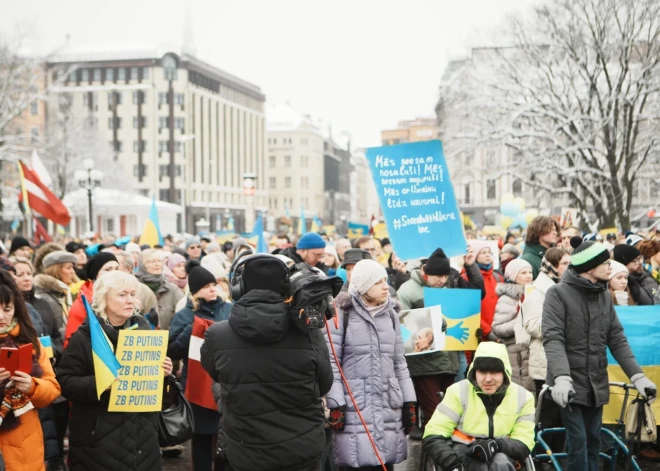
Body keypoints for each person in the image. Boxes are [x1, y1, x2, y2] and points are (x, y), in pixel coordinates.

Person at [200, 255, 333, 471]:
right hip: (302, 450)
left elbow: (216, 375)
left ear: (238, 289)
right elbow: (325, 384)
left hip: (246, 452)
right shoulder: (309, 332)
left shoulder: (216, 335)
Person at [543, 238, 657, 471]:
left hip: (596, 382)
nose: (610, 266)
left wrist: (638, 376)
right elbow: (553, 339)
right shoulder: (557, 294)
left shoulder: (604, 296)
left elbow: (617, 339)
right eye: (605, 262)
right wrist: (562, 377)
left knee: (594, 443)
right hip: (569, 384)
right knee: (579, 443)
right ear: (589, 267)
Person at [57, 271, 173, 471]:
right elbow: (65, 383)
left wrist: (165, 377)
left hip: (143, 441)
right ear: (103, 299)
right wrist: (103, 383)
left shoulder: (145, 333)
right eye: (122, 295)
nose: (130, 300)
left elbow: (161, 399)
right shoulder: (85, 337)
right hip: (99, 442)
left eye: (132, 294)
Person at [325, 259, 416, 470]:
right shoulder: (341, 315)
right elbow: (331, 363)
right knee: (357, 461)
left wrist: (408, 402)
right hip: (355, 405)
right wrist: (335, 403)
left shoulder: (391, 315)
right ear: (364, 286)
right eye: (378, 282)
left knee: (385, 462)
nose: (386, 286)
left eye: (385, 280)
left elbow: (399, 362)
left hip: (387, 404)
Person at [397, 247, 484, 433]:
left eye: (445, 276)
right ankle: (433, 456)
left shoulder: (447, 289)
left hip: (448, 360)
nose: (441, 281)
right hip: (424, 364)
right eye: (438, 277)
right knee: (434, 414)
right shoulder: (407, 290)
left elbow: (477, 294)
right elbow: (403, 326)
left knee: (453, 412)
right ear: (425, 272)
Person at [422, 342, 535, 471]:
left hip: (502, 450)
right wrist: (452, 464)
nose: (487, 379)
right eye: (482, 372)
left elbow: (524, 442)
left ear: (505, 372)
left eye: (494, 372)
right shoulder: (457, 391)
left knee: (500, 462)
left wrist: (496, 445)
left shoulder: (524, 397)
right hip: (462, 449)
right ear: (474, 372)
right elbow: (432, 435)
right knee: (478, 466)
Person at [168, 261, 231, 471]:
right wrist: (192, 329)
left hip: (226, 383)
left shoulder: (230, 309)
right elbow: (172, 351)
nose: (212, 288)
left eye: (214, 284)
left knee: (227, 440)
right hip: (197, 386)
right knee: (202, 439)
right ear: (195, 292)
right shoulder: (184, 315)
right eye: (206, 286)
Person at [0, 271, 61, 471]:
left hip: (25, 446)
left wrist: (32, 386)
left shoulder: (29, 341)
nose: (2, 316)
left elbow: (52, 388)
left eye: (7, 308)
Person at [522, 247, 570, 456]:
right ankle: (542, 457)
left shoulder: (567, 288)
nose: (570, 268)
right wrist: (562, 323)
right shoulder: (538, 291)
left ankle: (555, 457)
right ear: (553, 266)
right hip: (545, 360)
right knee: (548, 415)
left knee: (563, 416)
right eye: (565, 264)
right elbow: (531, 324)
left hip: (564, 361)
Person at [491, 259, 534, 392]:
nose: (528, 276)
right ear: (513, 276)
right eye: (523, 273)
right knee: (521, 392)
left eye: (530, 272)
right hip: (516, 353)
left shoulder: (534, 294)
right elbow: (498, 328)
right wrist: (521, 322)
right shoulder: (507, 299)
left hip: (532, 352)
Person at [63, 253, 119, 348]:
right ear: (95, 274)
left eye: (117, 269)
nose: (114, 273)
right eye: (108, 269)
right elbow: (72, 344)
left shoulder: (125, 296)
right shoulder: (83, 304)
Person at [135, 249, 184, 329]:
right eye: (151, 261)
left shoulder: (172, 289)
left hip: (168, 339)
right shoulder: (133, 288)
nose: (157, 264)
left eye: (159, 261)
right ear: (142, 266)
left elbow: (183, 316)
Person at [464, 241, 503, 342]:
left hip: (499, 332)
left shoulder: (497, 277)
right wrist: (488, 331)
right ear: (475, 256)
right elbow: (469, 310)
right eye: (483, 252)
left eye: (489, 252)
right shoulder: (466, 278)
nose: (487, 255)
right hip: (479, 335)